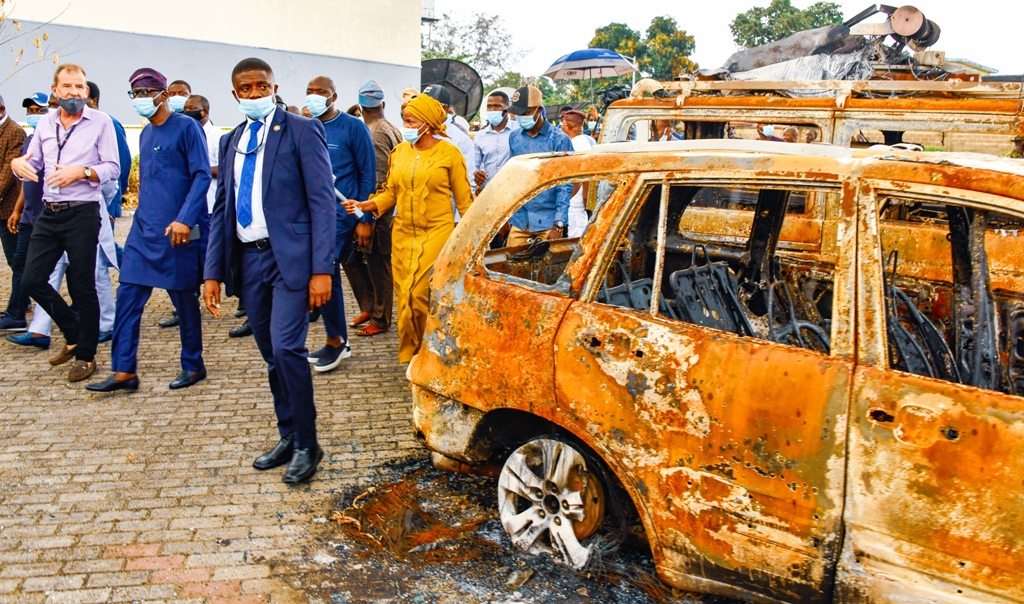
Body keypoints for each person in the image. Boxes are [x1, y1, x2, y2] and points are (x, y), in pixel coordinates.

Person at [204, 57, 335, 484]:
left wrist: (322, 269)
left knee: (286, 349)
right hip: (249, 261)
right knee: (271, 355)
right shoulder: (231, 141)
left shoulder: (301, 130)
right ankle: (289, 434)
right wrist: (212, 273)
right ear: (235, 94)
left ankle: (308, 444)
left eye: (262, 86)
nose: (255, 94)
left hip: (291, 261)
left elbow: (322, 202)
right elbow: (222, 208)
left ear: (275, 88)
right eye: (246, 89)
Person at [88, 68, 211, 393]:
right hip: (143, 232)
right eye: (136, 93)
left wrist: (186, 219)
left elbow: (202, 175)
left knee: (184, 301)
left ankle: (193, 364)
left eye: (146, 92)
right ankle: (123, 371)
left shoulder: (186, 127)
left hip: (179, 231)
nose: (140, 99)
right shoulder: (145, 133)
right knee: (127, 296)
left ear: (164, 95)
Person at [342, 94, 473, 363]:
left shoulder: (450, 154)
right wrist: (367, 205)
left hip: (437, 232)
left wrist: (472, 240)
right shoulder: (399, 152)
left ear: (428, 123)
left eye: (411, 121)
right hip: (402, 233)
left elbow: (464, 201)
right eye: (405, 120)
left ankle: (429, 352)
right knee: (404, 297)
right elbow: (391, 192)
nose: (406, 126)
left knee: (419, 293)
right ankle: (413, 354)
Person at [11, 64, 120, 382]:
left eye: (80, 87)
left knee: (83, 286)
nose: (74, 92)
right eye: (68, 87)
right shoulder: (46, 122)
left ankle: (86, 356)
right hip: (49, 212)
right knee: (31, 280)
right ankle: (73, 333)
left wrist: (82, 172)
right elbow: (32, 161)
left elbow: (113, 168)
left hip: (83, 212)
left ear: (86, 90)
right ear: (55, 90)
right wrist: (17, 164)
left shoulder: (101, 122)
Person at [302, 75, 375, 372]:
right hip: (310, 214)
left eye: (321, 92)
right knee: (323, 271)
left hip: (340, 215)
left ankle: (337, 341)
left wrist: (364, 218)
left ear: (334, 96)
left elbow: (368, 173)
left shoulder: (353, 127)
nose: (314, 96)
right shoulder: (305, 126)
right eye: (310, 91)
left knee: (325, 269)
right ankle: (336, 338)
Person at [345, 80, 400, 338]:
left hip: (378, 211)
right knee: (356, 259)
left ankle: (380, 318)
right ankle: (370, 307)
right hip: (377, 208)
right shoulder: (387, 127)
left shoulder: (375, 133)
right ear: (383, 104)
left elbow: (378, 180)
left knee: (379, 265)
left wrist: (367, 218)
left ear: (360, 106)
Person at [504, 85, 573, 247]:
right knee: (511, 260)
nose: (521, 117)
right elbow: (513, 178)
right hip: (520, 221)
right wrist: (506, 217)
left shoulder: (559, 139)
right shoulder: (514, 138)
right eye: (518, 113)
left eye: (525, 113)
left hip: (548, 222)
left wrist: (559, 224)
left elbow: (564, 184)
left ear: (539, 110)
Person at [3, 93, 47, 339]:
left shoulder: (52, 139)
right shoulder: (30, 139)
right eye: (30, 110)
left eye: (40, 110)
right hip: (28, 216)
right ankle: (17, 314)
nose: (34, 115)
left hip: (47, 216)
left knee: (68, 271)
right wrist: (18, 210)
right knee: (21, 264)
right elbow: (25, 181)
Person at [85, 82, 132, 243]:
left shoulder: (108, 123)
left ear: (94, 101)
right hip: (83, 201)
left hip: (106, 198)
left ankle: (128, 260)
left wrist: (115, 198)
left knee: (103, 247)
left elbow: (122, 164)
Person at [0, 93, 28, 331]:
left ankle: (17, 312)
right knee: (15, 260)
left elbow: (9, 172)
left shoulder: (14, 132)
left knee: (18, 261)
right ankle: (22, 301)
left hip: (10, 209)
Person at [421, 85, 475, 191]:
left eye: (428, 105)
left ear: (444, 108)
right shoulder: (417, 132)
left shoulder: (460, 140)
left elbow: (466, 184)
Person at [472, 91, 518, 196]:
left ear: (507, 108)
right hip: (488, 192)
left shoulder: (518, 130)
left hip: (513, 192)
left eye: (497, 106)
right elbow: (474, 164)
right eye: (489, 107)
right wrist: (476, 175)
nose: (492, 110)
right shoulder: (480, 135)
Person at [560, 110, 596, 238]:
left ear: (569, 126)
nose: (561, 128)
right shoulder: (582, 141)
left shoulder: (578, 145)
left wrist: (585, 201)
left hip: (576, 205)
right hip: (575, 204)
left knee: (575, 241)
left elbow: (585, 177)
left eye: (563, 125)